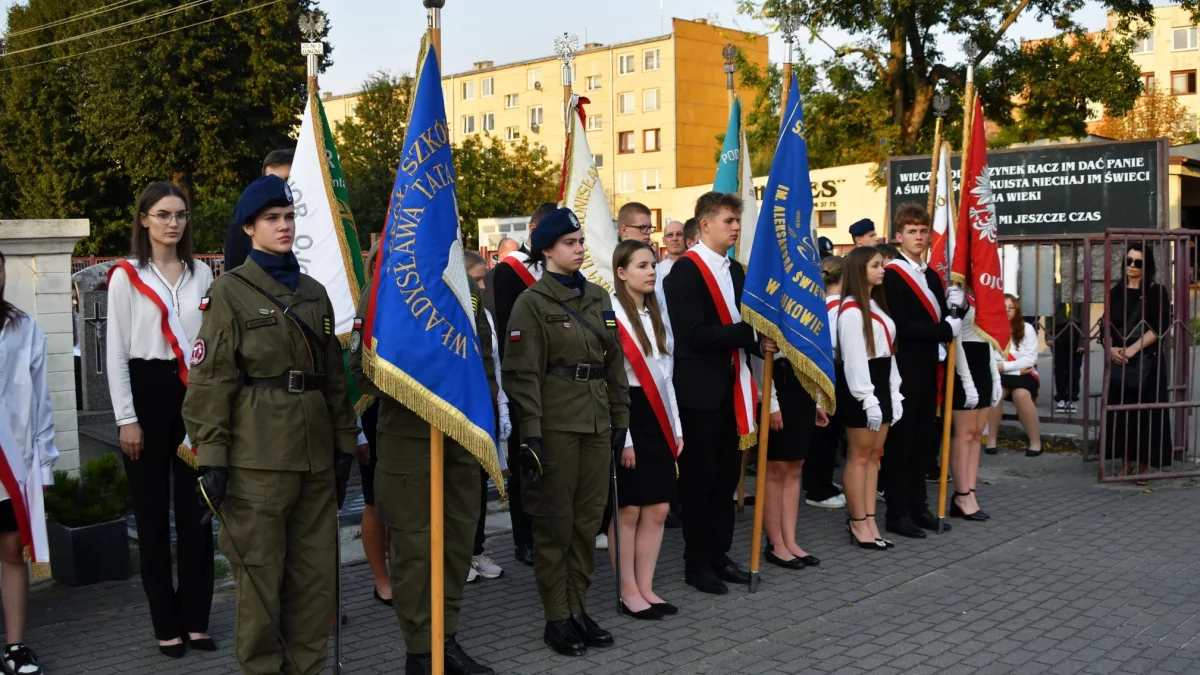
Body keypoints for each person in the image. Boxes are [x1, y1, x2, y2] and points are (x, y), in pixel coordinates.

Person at [182, 175, 360, 675]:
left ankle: (308, 668)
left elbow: (333, 378)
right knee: (261, 581)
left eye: (288, 217)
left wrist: (345, 444)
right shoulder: (230, 293)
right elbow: (210, 383)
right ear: (250, 228)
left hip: (314, 457)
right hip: (257, 461)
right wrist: (210, 459)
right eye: (272, 220)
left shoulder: (314, 293)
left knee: (314, 578)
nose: (284, 227)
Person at [349, 256, 498, 675]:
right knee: (414, 550)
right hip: (409, 439)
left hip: (461, 438)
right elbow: (361, 370)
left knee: (456, 543)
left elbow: (483, 363)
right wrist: (420, 382)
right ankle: (420, 650)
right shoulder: (384, 291)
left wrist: (485, 427)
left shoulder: (464, 287)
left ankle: (445, 639)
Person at [502, 207, 630, 656]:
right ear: (548, 249)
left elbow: (614, 363)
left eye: (580, 242)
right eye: (570, 243)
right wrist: (531, 434)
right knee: (555, 524)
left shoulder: (598, 297)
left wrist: (621, 417)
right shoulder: (531, 304)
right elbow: (522, 375)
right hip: (555, 426)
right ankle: (556, 616)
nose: (579, 249)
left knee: (586, 522)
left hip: (596, 421)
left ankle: (578, 607)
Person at [105, 182, 215, 658]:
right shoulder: (126, 276)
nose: (174, 223)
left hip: (193, 395)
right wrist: (127, 418)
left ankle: (196, 620)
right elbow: (115, 353)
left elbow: (210, 343)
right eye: (164, 214)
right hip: (146, 394)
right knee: (152, 517)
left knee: (196, 512)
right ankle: (165, 624)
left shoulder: (203, 275)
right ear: (144, 219)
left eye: (181, 215)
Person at [665, 191, 775, 595]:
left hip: (734, 388)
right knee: (700, 478)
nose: (735, 227)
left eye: (737, 221)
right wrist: (750, 334)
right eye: (729, 221)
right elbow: (693, 334)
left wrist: (762, 337)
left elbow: (747, 322)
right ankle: (696, 561)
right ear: (705, 224)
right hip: (700, 393)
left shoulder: (738, 271)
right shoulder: (685, 273)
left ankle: (719, 553)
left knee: (728, 477)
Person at [608, 240, 682, 621]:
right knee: (629, 510)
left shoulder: (656, 313)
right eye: (642, 266)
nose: (651, 271)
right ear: (622, 273)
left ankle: (647, 586)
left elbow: (666, 376)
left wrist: (677, 427)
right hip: (629, 415)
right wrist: (627, 437)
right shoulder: (612, 315)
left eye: (652, 265)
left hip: (659, 417)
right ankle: (627, 591)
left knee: (658, 508)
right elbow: (615, 381)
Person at [880, 204, 961, 539]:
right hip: (903, 371)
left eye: (923, 231)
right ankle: (897, 513)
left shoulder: (929, 275)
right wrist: (945, 329)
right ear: (899, 236)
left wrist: (958, 306)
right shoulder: (893, 275)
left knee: (923, 444)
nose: (918, 236)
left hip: (929, 370)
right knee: (902, 445)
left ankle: (919, 506)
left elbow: (943, 316)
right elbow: (903, 326)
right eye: (911, 231)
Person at [0, 249, 58, 675]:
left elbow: (41, 401)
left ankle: (16, 647)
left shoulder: (24, 329)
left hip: (13, 468)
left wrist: (45, 466)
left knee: (12, 552)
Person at [492, 202, 557, 565]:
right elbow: (509, 331)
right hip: (525, 380)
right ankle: (524, 536)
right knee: (526, 460)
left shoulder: (559, 268)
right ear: (533, 231)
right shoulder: (509, 271)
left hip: (559, 382)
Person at [836, 247, 901, 550]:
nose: (882, 269)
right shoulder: (850, 310)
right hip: (862, 388)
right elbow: (854, 358)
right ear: (860, 269)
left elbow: (889, 352)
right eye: (876, 265)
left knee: (875, 457)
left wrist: (894, 392)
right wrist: (867, 397)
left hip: (881, 383)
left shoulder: (876, 304)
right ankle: (857, 520)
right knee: (859, 457)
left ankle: (871, 518)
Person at [1104, 243, 1171, 484]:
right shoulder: (1117, 291)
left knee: (1145, 414)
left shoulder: (1156, 291)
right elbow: (1106, 324)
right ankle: (1126, 463)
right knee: (1122, 413)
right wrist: (1110, 348)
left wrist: (1131, 349)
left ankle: (1144, 465)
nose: (1132, 266)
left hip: (1147, 362)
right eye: (1129, 261)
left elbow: (1160, 325)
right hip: (1120, 362)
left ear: (1147, 266)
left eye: (1138, 262)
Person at [464, 251, 507, 583]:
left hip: (484, 407)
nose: (482, 285)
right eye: (477, 279)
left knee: (478, 484)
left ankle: (476, 551)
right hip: (458, 410)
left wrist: (500, 408)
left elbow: (495, 364)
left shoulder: (486, 315)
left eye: (483, 279)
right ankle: (458, 553)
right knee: (458, 487)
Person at [356, 241, 390, 605]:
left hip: (406, 410)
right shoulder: (368, 298)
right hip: (374, 407)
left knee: (399, 501)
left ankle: (400, 568)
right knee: (375, 502)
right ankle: (381, 578)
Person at [947, 293, 999, 521]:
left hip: (983, 363)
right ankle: (961, 494)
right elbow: (955, 340)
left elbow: (988, 337)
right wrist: (967, 381)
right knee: (964, 434)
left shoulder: (984, 291)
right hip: (963, 366)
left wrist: (995, 376)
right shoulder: (956, 294)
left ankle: (971, 491)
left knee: (977, 434)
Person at [804, 256, 847, 510]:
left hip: (827, 373)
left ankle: (823, 483)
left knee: (827, 436)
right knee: (825, 435)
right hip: (829, 373)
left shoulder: (824, 305)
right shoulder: (836, 309)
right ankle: (817, 488)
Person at [987, 294, 1042, 457]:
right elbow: (991, 360)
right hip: (1003, 375)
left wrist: (1003, 367)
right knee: (995, 394)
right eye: (1004, 307)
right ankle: (991, 440)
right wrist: (1015, 370)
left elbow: (1029, 359)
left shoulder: (1027, 328)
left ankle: (1036, 442)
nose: (1008, 311)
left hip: (1025, 375)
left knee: (1021, 394)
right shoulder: (990, 330)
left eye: (1011, 307)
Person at [223, 149, 294, 272]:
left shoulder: (325, 221)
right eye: (272, 218)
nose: (280, 187)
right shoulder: (241, 228)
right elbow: (234, 279)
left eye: (287, 180)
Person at [1050, 289, 1085, 413]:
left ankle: (1072, 398)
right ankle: (1061, 398)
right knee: (1059, 367)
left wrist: (1082, 341)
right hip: (1059, 330)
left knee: (1074, 368)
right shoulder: (1056, 290)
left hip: (1075, 330)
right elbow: (1050, 314)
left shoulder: (1079, 290)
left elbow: (1084, 317)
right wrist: (1049, 336)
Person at [482, 237, 519, 316]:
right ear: (502, 253)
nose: (519, 256)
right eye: (515, 252)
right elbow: (491, 307)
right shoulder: (491, 276)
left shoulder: (517, 274)